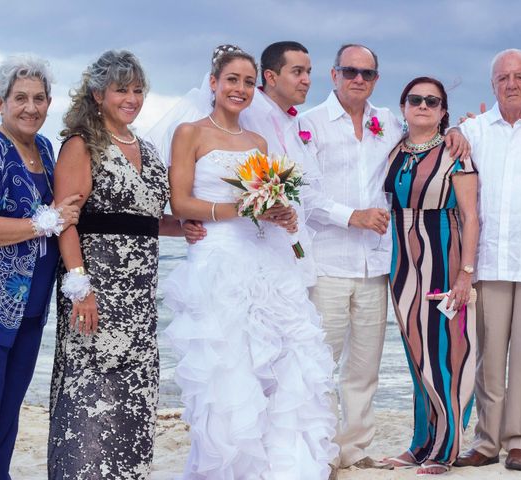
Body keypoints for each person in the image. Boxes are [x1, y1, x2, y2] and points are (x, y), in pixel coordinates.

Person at [163, 44, 337, 479]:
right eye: (231, 80)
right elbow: (181, 201)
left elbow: (266, 205)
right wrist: (235, 211)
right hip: (217, 260)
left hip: (264, 259)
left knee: (281, 364)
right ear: (214, 83)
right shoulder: (190, 132)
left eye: (246, 81)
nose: (239, 89)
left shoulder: (258, 142)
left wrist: (282, 213)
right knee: (228, 375)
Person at [300, 44, 470, 472]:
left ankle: (355, 451)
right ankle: (318, 449)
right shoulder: (309, 125)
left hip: (381, 267)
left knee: (364, 369)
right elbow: (302, 192)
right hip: (329, 263)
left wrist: (459, 131)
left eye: (368, 73)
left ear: (377, 80)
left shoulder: (388, 123)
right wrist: (351, 216)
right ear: (334, 74)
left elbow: (428, 139)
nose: (359, 79)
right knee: (320, 364)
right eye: (351, 71)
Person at [47, 49, 200, 478]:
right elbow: (66, 221)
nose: (131, 98)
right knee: (89, 398)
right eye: (121, 90)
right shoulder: (82, 145)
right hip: (95, 293)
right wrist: (81, 287)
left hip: (139, 297)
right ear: (98, 94)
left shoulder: (148, 149)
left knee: (132, 398)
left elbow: (142, 221)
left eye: (137, 90)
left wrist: (182, 227)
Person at [453, 49, 521, 472]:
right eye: (502, 78)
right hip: (490, 261)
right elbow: (448, 154)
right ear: (492, 85)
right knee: (489, 359)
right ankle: (486, 439)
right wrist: (453, 130)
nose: (511, 84)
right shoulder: (474, 130)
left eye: (519, 77)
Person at [382, 76, 479, 475]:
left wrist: (465, 273)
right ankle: (420, 443)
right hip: (401, 261)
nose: (423, 105)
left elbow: (471, 216)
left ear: (443, 112)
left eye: (432, 101)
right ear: (404, 106)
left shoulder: (456, 152)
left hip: (442, 254)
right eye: (415, 99)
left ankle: (446, 448)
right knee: (415, 354)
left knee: (445, 353)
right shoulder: (393, 149)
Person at [0, 55, 80, 480]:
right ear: (1, 103)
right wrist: (43, 222)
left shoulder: (47, 149)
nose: (31, 107)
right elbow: (48, 219)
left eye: (39, 98)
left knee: (10, 409)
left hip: (32, 311)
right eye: (20, 98)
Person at [239, 40, 319, 286]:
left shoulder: (300, 124)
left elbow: (308, 193)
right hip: (252, 246)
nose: (306, 80)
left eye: (308, 72)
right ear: (271, 77)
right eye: (297, 72)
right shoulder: (245, 115)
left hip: (293, 243)